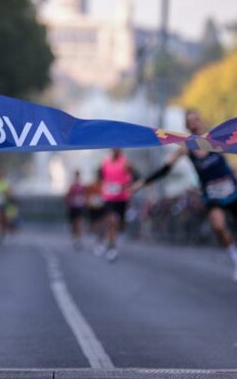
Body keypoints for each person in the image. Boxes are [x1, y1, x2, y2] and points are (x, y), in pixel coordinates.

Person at [131, 108, 237, 283]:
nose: (195, 123)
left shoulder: (216, 139)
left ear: (202, 122)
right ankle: (234, 257)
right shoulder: (186, 148)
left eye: (197, 119)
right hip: (212, 195)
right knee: (218, 225)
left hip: (231, 190)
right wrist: (142, 182)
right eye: (191, 120)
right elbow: (165, 169)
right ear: (187, 125)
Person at [98, 148, 136, 262]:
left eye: (117, 148)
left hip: (122, 197)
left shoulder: (126, 162)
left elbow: (133, 175)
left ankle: (113, 238)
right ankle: (112, 245)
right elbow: (101, 176)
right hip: (109, 197)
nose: (115, 150)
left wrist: (129, 180)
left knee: (120, 225)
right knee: (111, 220)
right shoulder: (105, 162)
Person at [65, 170, 87, 250]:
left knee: (79, 223)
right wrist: (68, 202)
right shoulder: (72, 186)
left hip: (79, 207)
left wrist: (84, 202)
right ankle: (74, 235)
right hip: (73, 207)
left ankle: (78, 239)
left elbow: (85, 196)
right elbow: (67, 196)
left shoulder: (82, 186)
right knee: (74, 223)